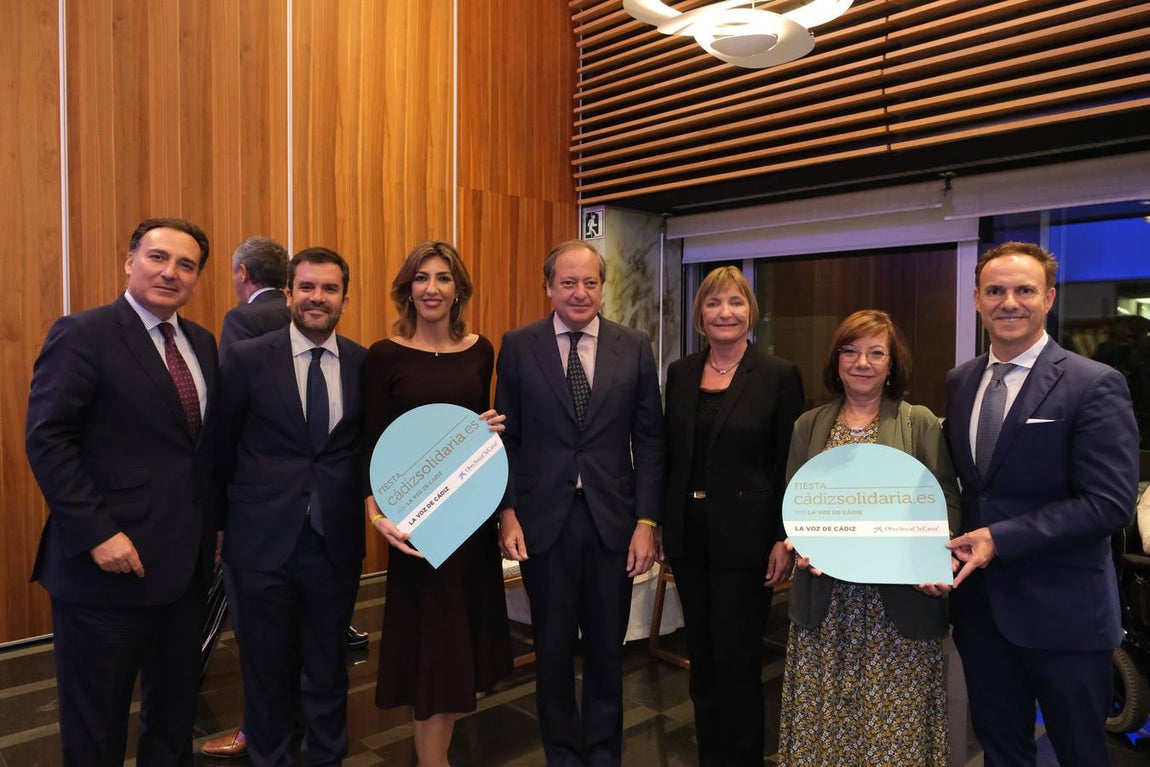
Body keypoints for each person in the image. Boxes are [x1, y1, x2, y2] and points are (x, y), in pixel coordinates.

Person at [25, 217, 219, 767]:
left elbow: (197, 455)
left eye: (186, 265)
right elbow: (48, 441)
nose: (170, 272)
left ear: (197, 278)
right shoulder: (83, 333)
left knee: (173, 717)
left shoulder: (202, 342)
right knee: (95, 726)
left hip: (183, 573)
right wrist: (98, 532)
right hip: (104, 570)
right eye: (158, 257)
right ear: (130, 261)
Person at [944, 242, 1139, 766]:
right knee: (1001, 749)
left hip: (1065, 613)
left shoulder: (1093, 383)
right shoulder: (960, 382)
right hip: (982, 612)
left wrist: (999, 539)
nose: (1010, 301)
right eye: (996, 290)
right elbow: (971, 490)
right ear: (978, 300)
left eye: (1024, 289)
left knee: (1079, 754)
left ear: (1048, 297)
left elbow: (1109, 503)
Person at [495, 239, 665, 766]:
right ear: (548, 287)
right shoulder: (519, 345)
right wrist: (508, 512)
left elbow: (651, 438)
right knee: (550, 653)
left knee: (606, 654)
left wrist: (646, 520)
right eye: (567, 282)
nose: (579, 292)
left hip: (614, 523)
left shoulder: (633, 345)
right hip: (543, 521)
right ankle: (562, 755)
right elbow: (506, 437)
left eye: (590, 282)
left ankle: (602, 754)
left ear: (602, 286)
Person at [201, 235, 366, 760]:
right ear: (290, 293)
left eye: (331, 289)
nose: (319, 297)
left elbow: (380, 443)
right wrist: (223, 527)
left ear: (345, 298)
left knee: (327, 669)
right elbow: (219, 448)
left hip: (334, 544)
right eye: (308, 287)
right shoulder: (248, 359)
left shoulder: (365, 364)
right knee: (266, 674)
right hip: (259, 547)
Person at [778, 309, 960, 767]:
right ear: (836, 360)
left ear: (892, 364)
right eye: (851, 351)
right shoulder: (809, 425)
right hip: (827, 606)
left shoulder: (920, 423)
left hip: (895, 609)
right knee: (826, 730)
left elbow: (945, 503)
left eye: (876, 353)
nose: (862, 362)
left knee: (891, 737)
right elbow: (796, 504)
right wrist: (799, 543)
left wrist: (936, 563)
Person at [361, 241, 512, 767]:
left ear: (459, 290)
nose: (432, 288)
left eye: (443, 278)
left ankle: (434, 755)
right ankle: (433, 760)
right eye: (421, 278)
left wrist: (484, 432)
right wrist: (378, 516)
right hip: (414, 526)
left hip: (467, 517)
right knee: (431, 645)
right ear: (407, 289)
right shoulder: (384, 355)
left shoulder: (480, 350)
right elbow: (374, 443)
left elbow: (475, 435)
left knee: (455, 646)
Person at [662, 265, 804, 766]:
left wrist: (784, 537)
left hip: (747, 540)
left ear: (751, 312)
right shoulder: (679, 373)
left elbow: (790, 462)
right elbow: (671, 456)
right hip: (688, 534)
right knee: (701, 659)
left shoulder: (777, 375)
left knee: (739, 660)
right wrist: (658, 525)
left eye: (736, 303)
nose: (725, 312)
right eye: (714, 303)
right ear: (700, 313)